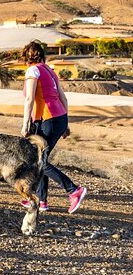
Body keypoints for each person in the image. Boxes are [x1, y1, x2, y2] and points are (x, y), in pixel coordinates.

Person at [20, 40, 87, 213]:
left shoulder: (32, 70)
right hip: (59, 117)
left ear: (28, 57)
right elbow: (63, 98)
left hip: (47, 119)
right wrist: (65, 124)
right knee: (42, 158)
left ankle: (74, 190)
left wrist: (25, 123)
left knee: (38, 160)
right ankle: (41, 201)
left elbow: (29, 99)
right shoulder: (49, 70)